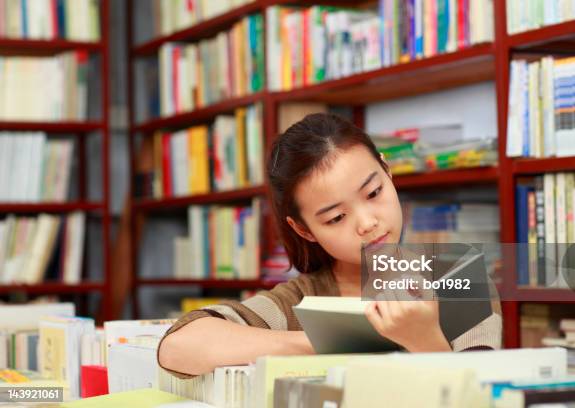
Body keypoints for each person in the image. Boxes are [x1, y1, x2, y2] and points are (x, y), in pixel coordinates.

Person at [157, 113, 502, 378]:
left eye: (373, 193)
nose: (367, 223)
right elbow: (178, 346)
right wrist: (339, 345)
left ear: (387, 170)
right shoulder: (300, 301)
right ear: (304, 230)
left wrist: (424, 340)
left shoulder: (462, 281)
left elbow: (478, 395)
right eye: (336, 218)